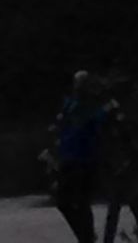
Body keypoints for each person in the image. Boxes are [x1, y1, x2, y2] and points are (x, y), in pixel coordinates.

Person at [54, 71, 107, 243]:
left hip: (84, 160)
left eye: (82, 84)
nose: (78, 88)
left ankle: (87, 238)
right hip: (68, 158)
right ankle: (86, 237)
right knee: (65, 202)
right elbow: (63, 128)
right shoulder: (70, 105)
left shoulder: (93, 109)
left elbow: (97, 129)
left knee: (82, 203)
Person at [101, 98, 138, 243]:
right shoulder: (109, 130)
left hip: (125, 172)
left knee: (129, 207)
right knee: (119, 209)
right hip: (118, 172)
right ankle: (110, 239)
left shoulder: (121, 129)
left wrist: (127, 165)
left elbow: (133, 150)